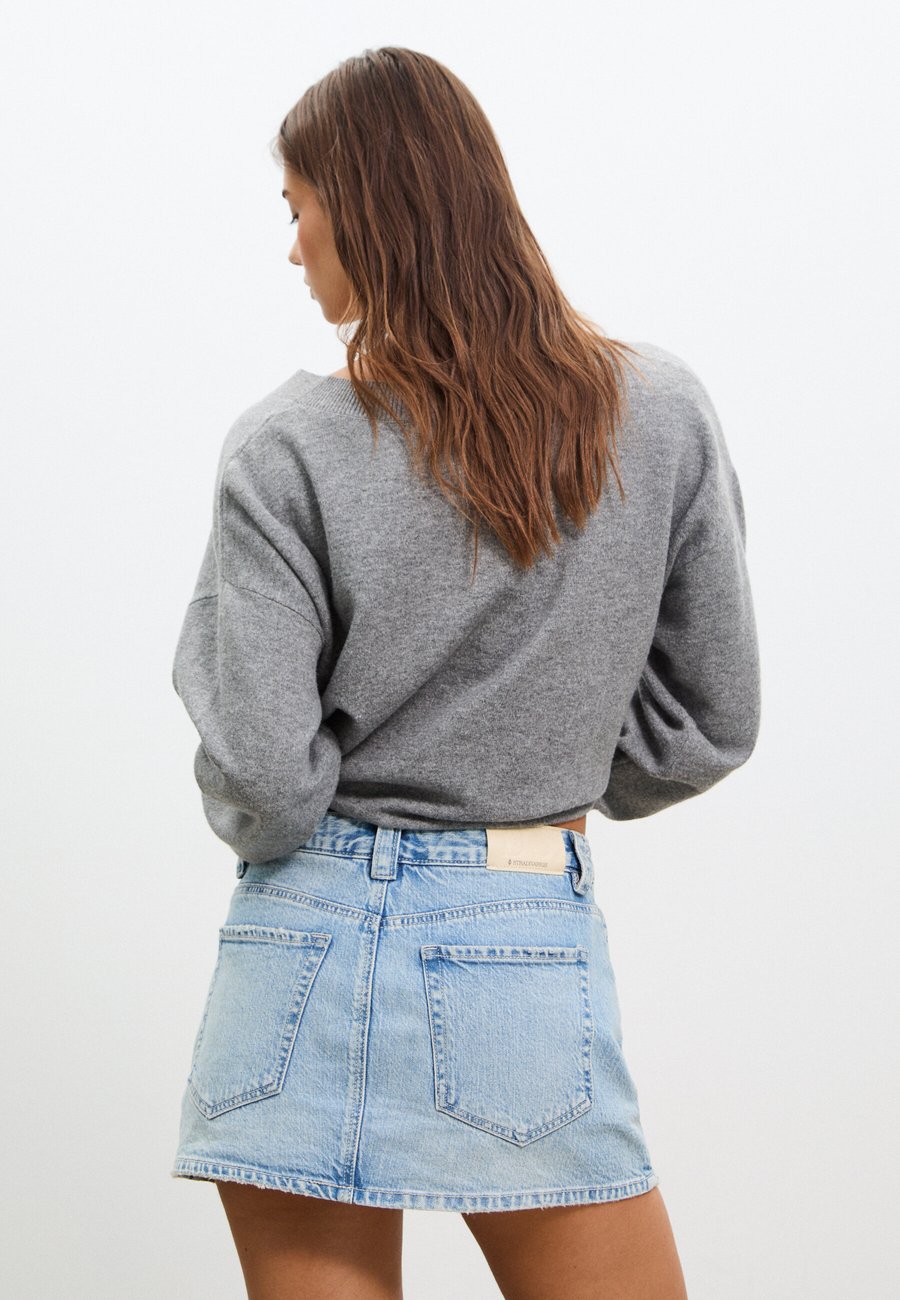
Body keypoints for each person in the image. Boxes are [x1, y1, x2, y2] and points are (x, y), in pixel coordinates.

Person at [169, 46, 760, 1300]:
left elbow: (265, 780)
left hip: (299, 949)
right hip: (519, 927)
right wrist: (547, 752)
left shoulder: (284, 447)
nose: (291, 248)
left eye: (297, 208)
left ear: (363, 209)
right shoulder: (655, 414)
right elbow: (710, 718)